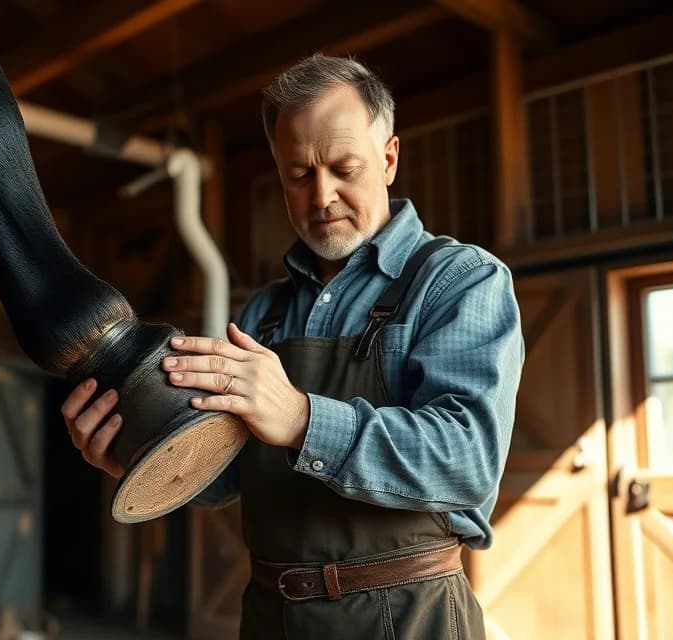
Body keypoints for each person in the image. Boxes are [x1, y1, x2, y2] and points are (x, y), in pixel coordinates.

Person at [61, 54, 524, 639]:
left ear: (388, 159)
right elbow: (225, 482)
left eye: (343, 167)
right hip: (271, 620)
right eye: (299, 175)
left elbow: (468, 461)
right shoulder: (264, 313)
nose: (322, 194)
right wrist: (140, 453)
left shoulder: (460, 281)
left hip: (407, 619)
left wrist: (304, 419)